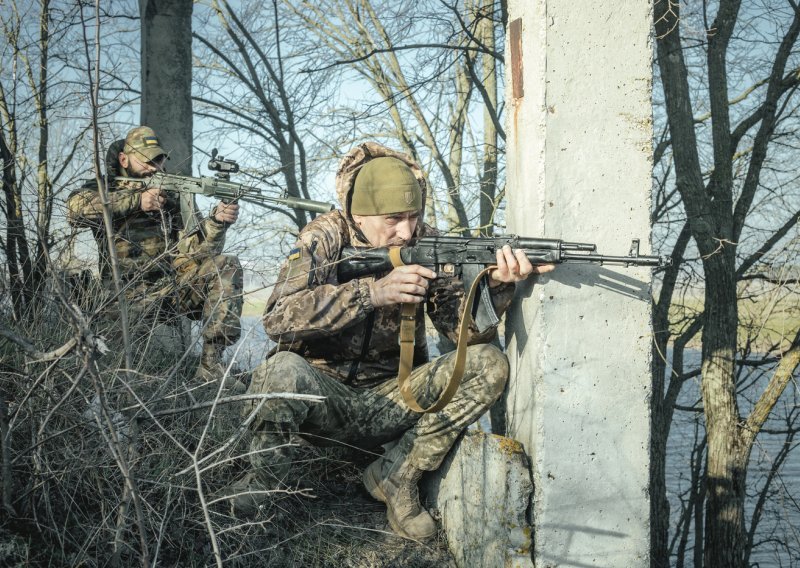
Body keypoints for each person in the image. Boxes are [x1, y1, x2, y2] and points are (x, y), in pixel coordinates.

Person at [222, 142, 554, 539]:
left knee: (487, 363)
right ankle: (263, 480)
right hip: (322, 400)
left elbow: (460, 333)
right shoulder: (323, 237)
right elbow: (277, 319)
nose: (407, 230)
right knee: (280, 370)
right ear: (358, 215)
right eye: (394, 219)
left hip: (393, 400)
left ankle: (398, 475)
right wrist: (370, 294)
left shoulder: (427, 243)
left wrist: (497, 286)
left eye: (414, 217)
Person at [67, 126, 243, 384]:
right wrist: (137, 202)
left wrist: (216, 223)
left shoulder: (171, 195)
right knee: (121, 377)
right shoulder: (103, 188)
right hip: (122, 296)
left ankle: (210, 367)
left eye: (158, 159)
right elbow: (75, 209)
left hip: (169, 290)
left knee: (225, 265)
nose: (154, 166)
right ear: (124, 160)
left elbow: (196, 253)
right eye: (146, 160)